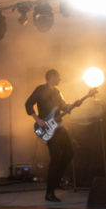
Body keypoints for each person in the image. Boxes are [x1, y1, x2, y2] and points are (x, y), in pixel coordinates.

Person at [25, 69, 75, 202]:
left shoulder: (57, 92)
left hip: (58, 126)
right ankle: (49, 193)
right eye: (58, 77)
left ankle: (56, 181)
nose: (60, 79)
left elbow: (63, 106)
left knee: (70, 152)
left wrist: (73, 105)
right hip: (47, 128)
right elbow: (28, 104)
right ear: (52, 77)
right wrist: (38, 120)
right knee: (55, 158)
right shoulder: (40, 89)